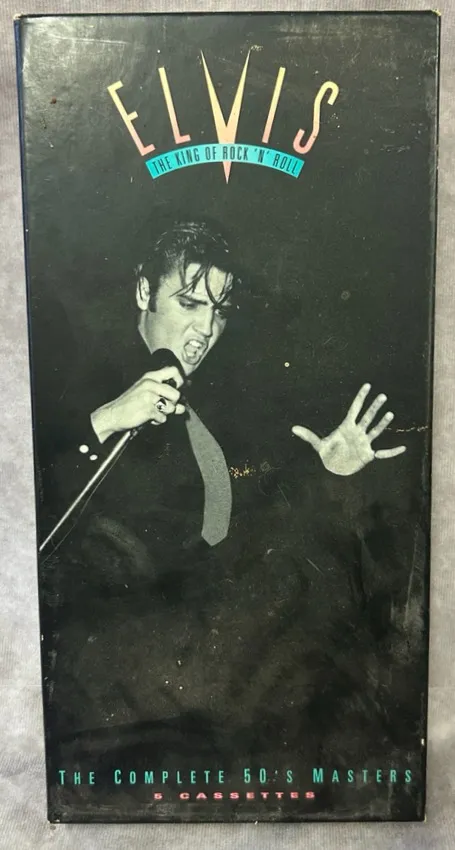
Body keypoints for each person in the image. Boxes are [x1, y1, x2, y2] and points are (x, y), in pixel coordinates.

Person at [40, 220, 413, 813]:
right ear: (143, 291)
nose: (204, 331)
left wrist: (328, 473)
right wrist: (106, 420)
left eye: (218, 311)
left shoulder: (214, 399)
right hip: (115, 692)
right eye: (189, 304)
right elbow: (31, 519)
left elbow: (238, 532)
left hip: (208, 673)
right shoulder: (66, 374)